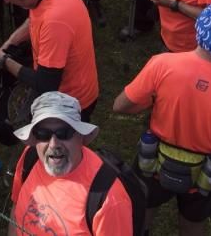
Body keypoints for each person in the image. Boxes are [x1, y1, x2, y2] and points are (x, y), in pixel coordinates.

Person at [113, 1, 211, 235]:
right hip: (206, 178)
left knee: (140, 215)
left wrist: (154, 102)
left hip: (153, 165)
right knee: (192, 226)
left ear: (198, 27)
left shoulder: (161, 64)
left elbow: (120, 105)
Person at [0, 0, 99, 119]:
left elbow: (45, 84)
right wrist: (11, 41)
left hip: (69, 103)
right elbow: (35, 17)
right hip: (65, 88)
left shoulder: (55, 22)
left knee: (55, 144)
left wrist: (2, 59)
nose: (6, 1)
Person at [10, 91, 137, 235]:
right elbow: (16, 208)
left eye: (64, 133)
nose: (53, 144)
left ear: (80, 136)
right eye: (43, 134)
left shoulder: (109, 200)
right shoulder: (30, 157)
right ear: (35, 138)